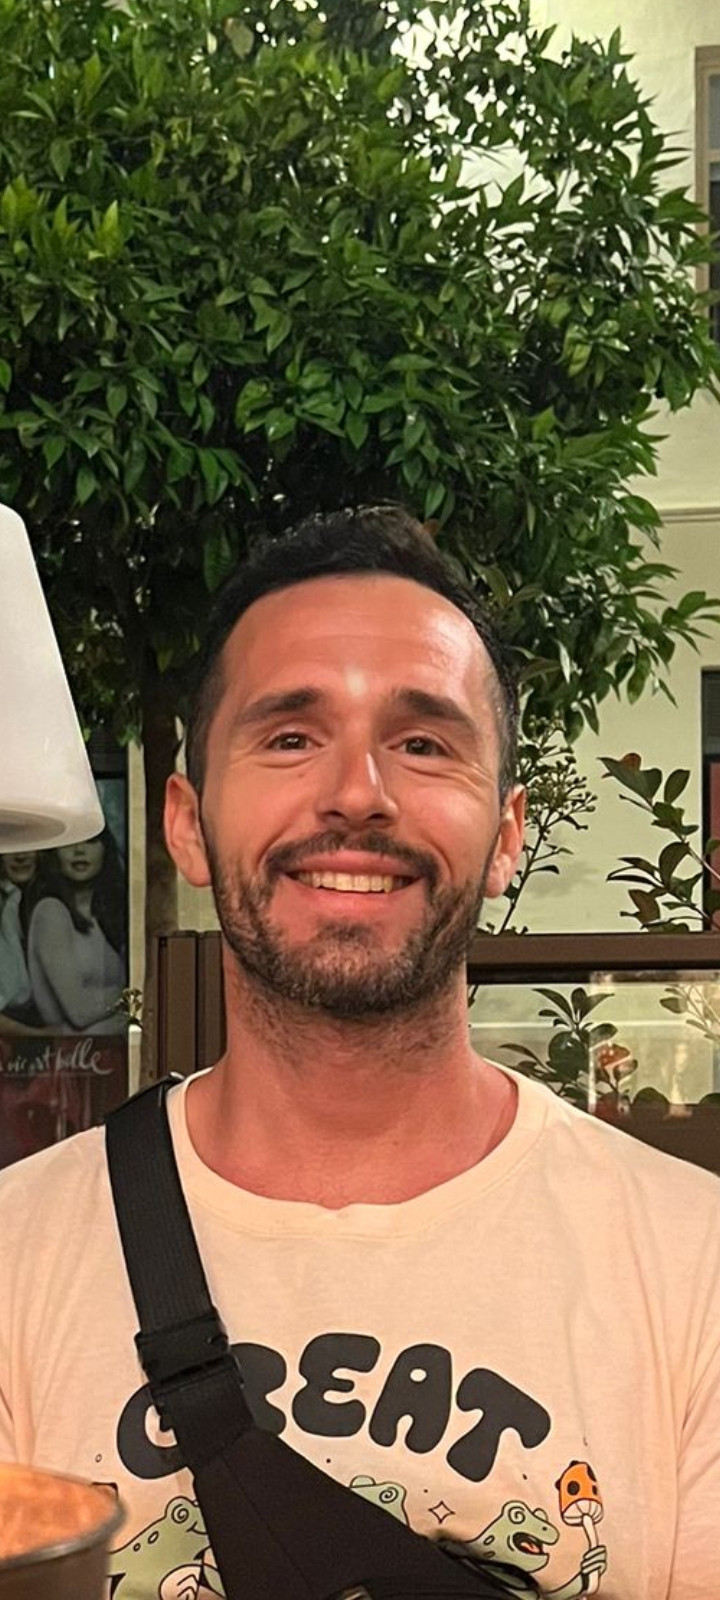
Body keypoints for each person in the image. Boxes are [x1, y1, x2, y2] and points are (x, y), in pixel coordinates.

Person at [0, 505, 718, 1600]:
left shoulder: (693, 1270)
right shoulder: (17, 1257)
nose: (357, 795)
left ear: (506, 834)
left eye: (422, 743)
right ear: (189, 824)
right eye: (291, 737)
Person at [25, 828, 127, 1035]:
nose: (79, 850)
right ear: (54, 852)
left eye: (91, 841)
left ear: (105, 850)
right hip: (74, 1052)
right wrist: (132, 994)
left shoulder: (102, 917)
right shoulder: (51, 912)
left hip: (106, 1049)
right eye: (70, 841)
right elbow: (80, 1012)